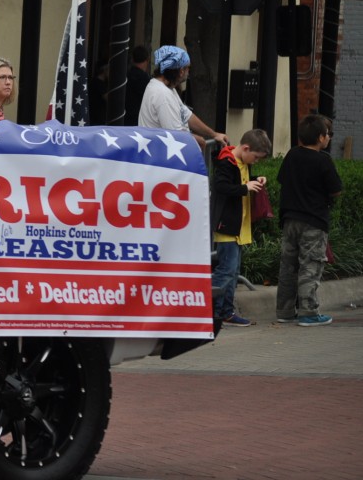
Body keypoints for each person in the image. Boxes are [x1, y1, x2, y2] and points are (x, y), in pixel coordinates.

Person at [275, 114, 342, 327]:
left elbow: (281, 179)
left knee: (288, 266)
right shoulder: (323, 160)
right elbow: (336, 190)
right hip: (314, 220)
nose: (329, 138)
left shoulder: (292, 155)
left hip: (289, 219)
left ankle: (284, 311)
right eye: (328, 135)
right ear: (321, 138)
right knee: (310, 265)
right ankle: (308, 312)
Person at [209, 128, 272, 326]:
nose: (256, 161)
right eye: (256, 157)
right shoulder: (227, 162)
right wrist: (246, 187)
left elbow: (241, 183)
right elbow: (221, 186)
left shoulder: (241, 161)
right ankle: (211, 311)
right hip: (227, 226)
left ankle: (224, 312)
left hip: (238, 227)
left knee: (232, 272)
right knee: (226, 271)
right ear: (245, 148)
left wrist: (255, 180)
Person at [138, 45, 227, 149]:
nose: (189, 71)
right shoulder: (162, 94)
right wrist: (199, 140)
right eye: (188, 67)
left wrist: (214, 134)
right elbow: (176, 135)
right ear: (181, 71)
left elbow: (188, 116)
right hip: (160, 159)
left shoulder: (167, 88)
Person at [124, 45, 150, 125]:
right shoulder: (145, 79)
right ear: (147, 60)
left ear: (133, 59)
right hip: (138, 120)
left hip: (124, 118)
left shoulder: (125, 76)